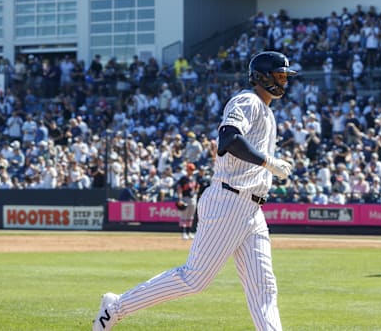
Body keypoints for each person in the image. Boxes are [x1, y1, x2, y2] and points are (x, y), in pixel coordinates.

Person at [92, 51, 295, 331]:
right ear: (262, 76)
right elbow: (228, 138)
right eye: (280, 75)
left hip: (251, 208)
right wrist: (268, 162)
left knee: (264, 289)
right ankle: (116, 307)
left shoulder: (266, 110)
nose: (284, 81)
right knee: (194, 279)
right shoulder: (247, 100)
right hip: (229, 200)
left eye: (285, 76)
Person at [175, 162, 199, 240]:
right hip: (185, 198)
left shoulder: (194, 178)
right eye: (190, 169)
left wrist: (196, 193)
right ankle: (183, 233)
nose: (191, 171)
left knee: (190, 217)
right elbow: (179, 189)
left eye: (192, 169)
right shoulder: (183, 178)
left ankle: (189, 233)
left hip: (192, 199)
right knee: (184, 216)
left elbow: (197, 187)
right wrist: (180, 199)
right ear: (187, 170)